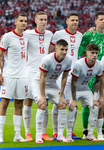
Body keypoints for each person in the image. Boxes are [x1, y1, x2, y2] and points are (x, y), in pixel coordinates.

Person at [78, 12, 104, 139]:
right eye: (101, 19)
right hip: (90, 72)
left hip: (103, 74)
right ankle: (85, 130)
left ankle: (102, 130)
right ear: (95, 21)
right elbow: (80, 51)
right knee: (89, 103)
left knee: (103, 102)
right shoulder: (88, 34)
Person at [49, 13, 82, 140]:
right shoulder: (58, 34)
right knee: (58, 102)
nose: (75, 22)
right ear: (66, 21)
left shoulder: (80, 35)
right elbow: (50, 50)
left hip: (74, 74)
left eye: (77, 20)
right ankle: (56, 131)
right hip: (60, 73)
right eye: (72, 20)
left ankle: (70, 131)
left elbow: (84, 51)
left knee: (73, 102)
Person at [32, 39, 72, 143]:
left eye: (66, 50)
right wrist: (42, 95)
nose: (64, 52)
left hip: (52, 84)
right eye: (62, 49)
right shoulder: (48, 59)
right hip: (39, 83)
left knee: (63, 104)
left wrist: (62, 95)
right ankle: (38, 136)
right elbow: (42, 77)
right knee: (42, 105)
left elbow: (65, 77)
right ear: (56, 49)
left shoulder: (68, 60)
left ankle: (60, 135)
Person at [23, 11, 53, 142]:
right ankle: (28, 133)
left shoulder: (50, 34)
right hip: (30, 72)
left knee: (44, 102)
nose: (43, 22)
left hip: (44, 73)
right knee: (28, 101)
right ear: (35, 20)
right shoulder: (28, 33)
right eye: (41, 19)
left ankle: (44, 132)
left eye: (45, 19)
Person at [0, 14, 28, 143]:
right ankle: (0, 134)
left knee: (19, 104)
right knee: (4, 103)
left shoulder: (28, 36)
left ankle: (17, 135)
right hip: (9, 75)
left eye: (25, 21)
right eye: (21, 21)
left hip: (23, 76)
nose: (23, 23)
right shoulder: (7, 37)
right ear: (15, 22)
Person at [66, 43, 103, 141]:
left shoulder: (99, 64)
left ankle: (90, 134)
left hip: (84, 87)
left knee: (95, 107)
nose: (94, 55)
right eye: (92, 53)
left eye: (96, 53)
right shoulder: (79, 64)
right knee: (72, 108)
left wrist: (95, 99)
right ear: (87, 53)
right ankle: (68, 135)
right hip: (71, 87)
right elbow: (73, 82)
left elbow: (97, 81)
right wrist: (74, 100)